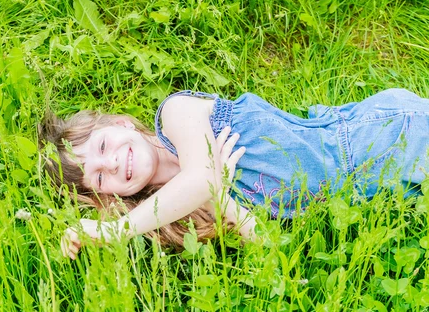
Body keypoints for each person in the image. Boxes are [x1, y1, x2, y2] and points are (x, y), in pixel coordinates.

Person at [40, 89, 429, 259]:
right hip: (378, 192)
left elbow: (200, 176)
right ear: (111, 196)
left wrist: (115, 231)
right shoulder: (182, 208)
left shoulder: (176, 114)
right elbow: (269, 244)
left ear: (123, 124)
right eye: (99, 176)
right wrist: (221, 195)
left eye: (102, 147)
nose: (109, 163)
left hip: (374, 138)